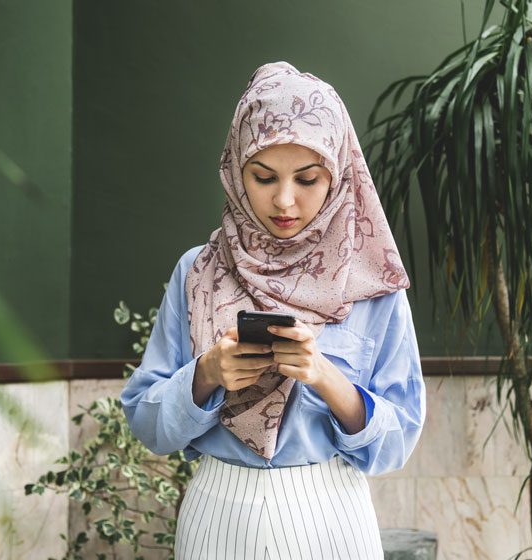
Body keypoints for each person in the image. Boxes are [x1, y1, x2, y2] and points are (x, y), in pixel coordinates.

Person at [120, 61, 426, 560]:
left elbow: (396, 444)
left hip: (332, 516)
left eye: (307, 179)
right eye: (263, 177)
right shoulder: (197, 271)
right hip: (216, 515)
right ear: (236, 170)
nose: (285, 201)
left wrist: (325, 377)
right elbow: (148, 424)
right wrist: (207, 373)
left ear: (338, 176)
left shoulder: (373, 285)